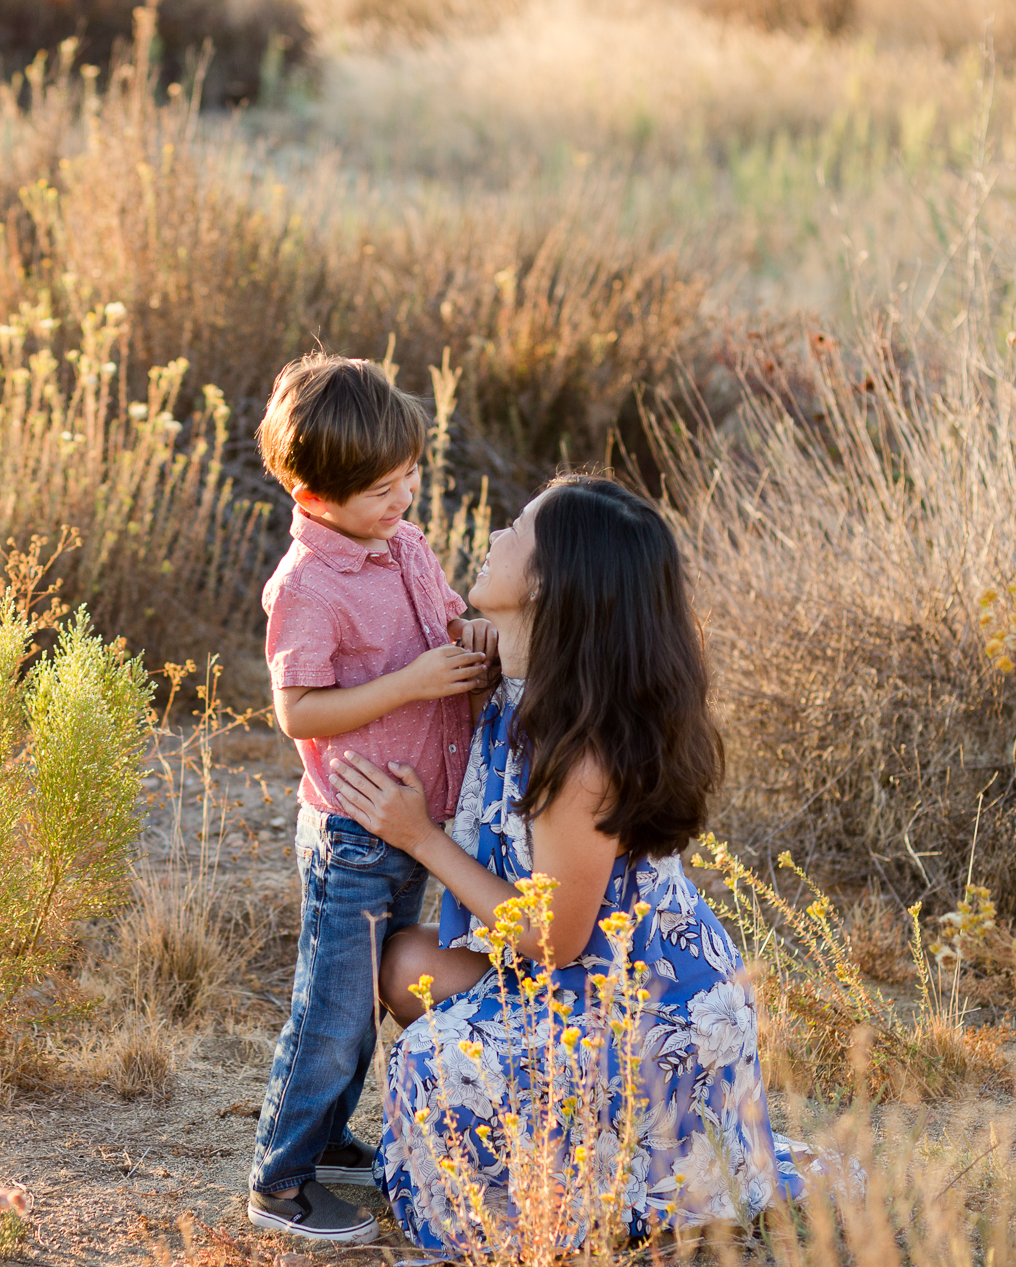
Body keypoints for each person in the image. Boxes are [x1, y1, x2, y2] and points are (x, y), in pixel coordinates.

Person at [325, 475, 829, 1251]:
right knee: (402, 963)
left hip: (642, 1001)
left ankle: (599, 1184)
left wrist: (421, 836)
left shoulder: (581, 751)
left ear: (551, 582)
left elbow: (551, 937)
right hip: (584, 969)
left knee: (432, 1057)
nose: (496, 534)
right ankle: (576, 1149)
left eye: (518, 529)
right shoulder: (527, 677)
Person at [247, 353, 500, 1244]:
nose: (405, 497)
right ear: (315, 493)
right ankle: (279, 1178)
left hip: (406, 826)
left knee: (361, 1008)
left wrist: (468, 632)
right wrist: (410, 682)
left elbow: (444, 616)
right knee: (334, 1008)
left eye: (410, 478)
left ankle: (323, 1139)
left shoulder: (405, 544)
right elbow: (296, 708)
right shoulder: (306, 585)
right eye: (384, 489)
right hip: (354, 832)